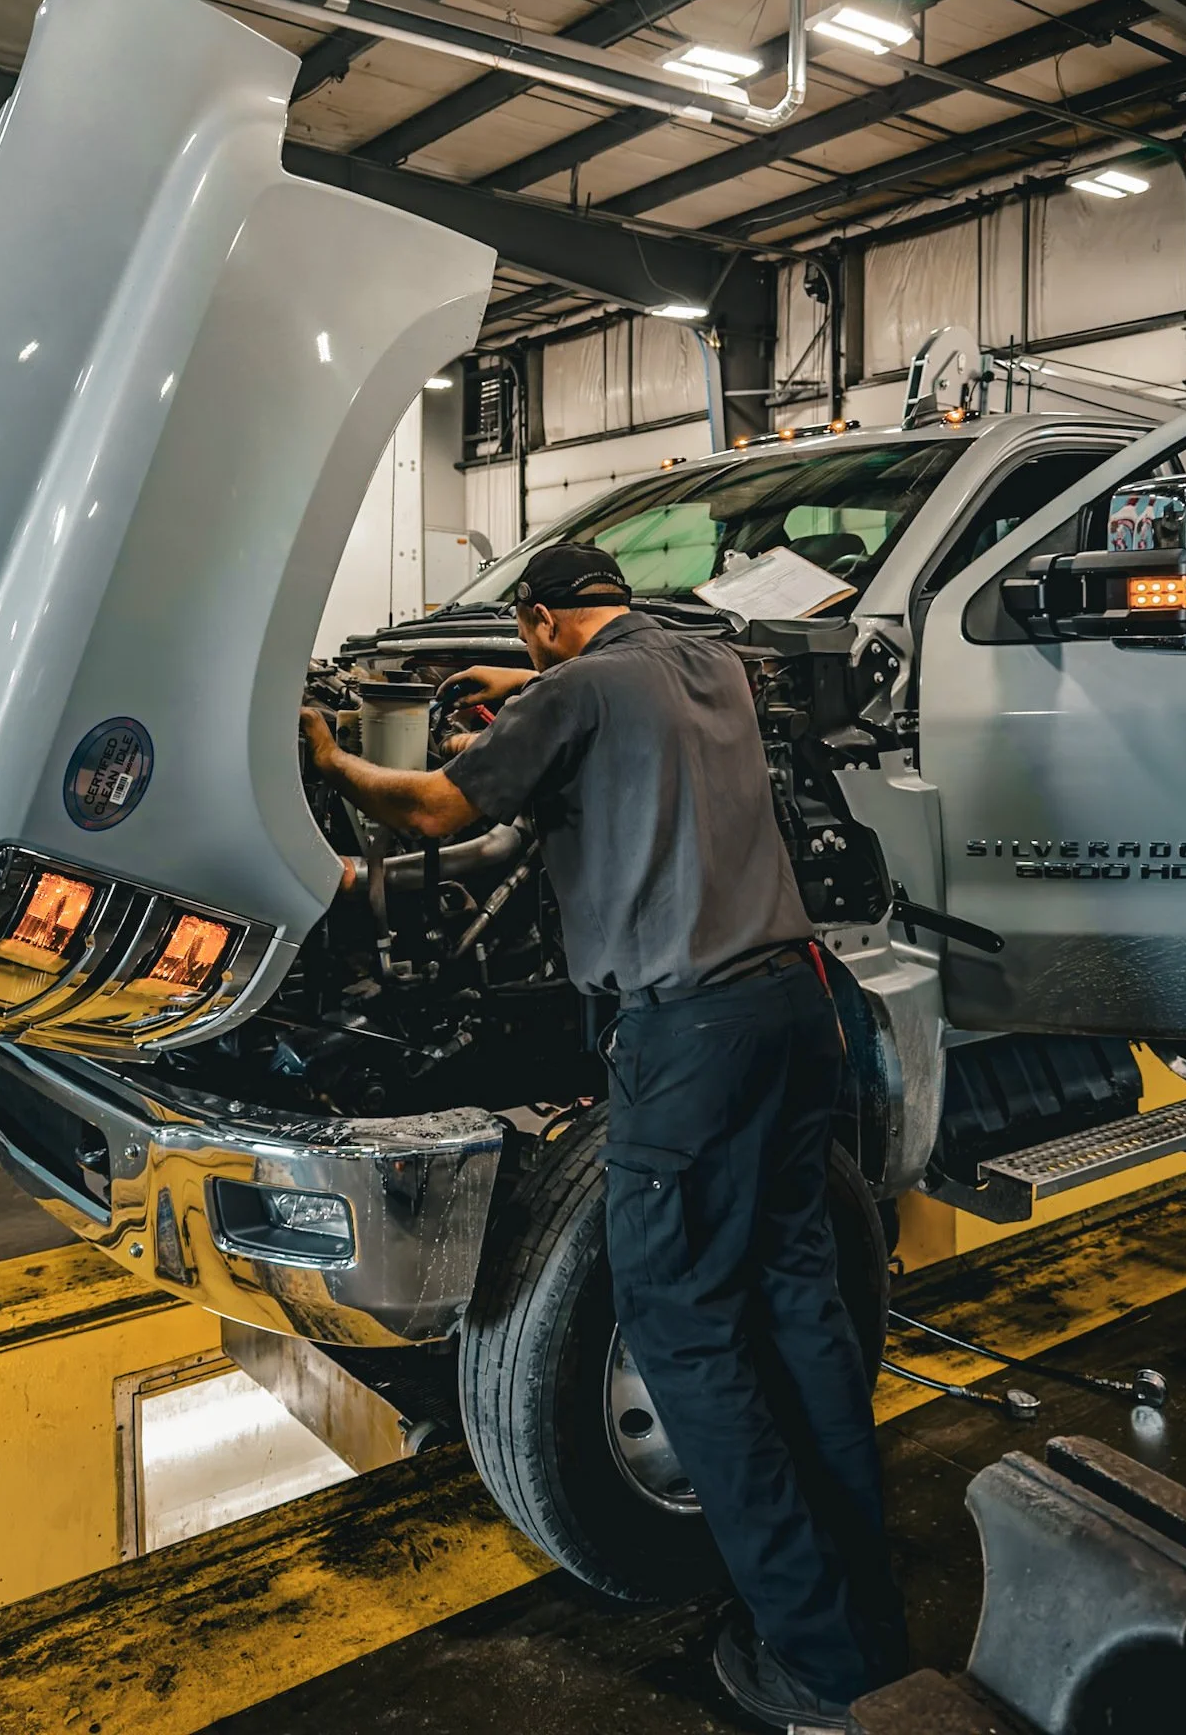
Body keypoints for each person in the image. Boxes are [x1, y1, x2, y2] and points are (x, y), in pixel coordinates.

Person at [298, 541, 901, 1730]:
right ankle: (861, 1598)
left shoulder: (575, 689)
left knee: (685, 1335)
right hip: (799, 1012)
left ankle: (821, 1661)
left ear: (539, 621)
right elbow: (597, 685)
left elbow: (433, 809)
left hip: (692, 1045)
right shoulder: (714, 664)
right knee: (801, 1304)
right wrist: (521, 691)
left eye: (527, 643)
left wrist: (327, 754)